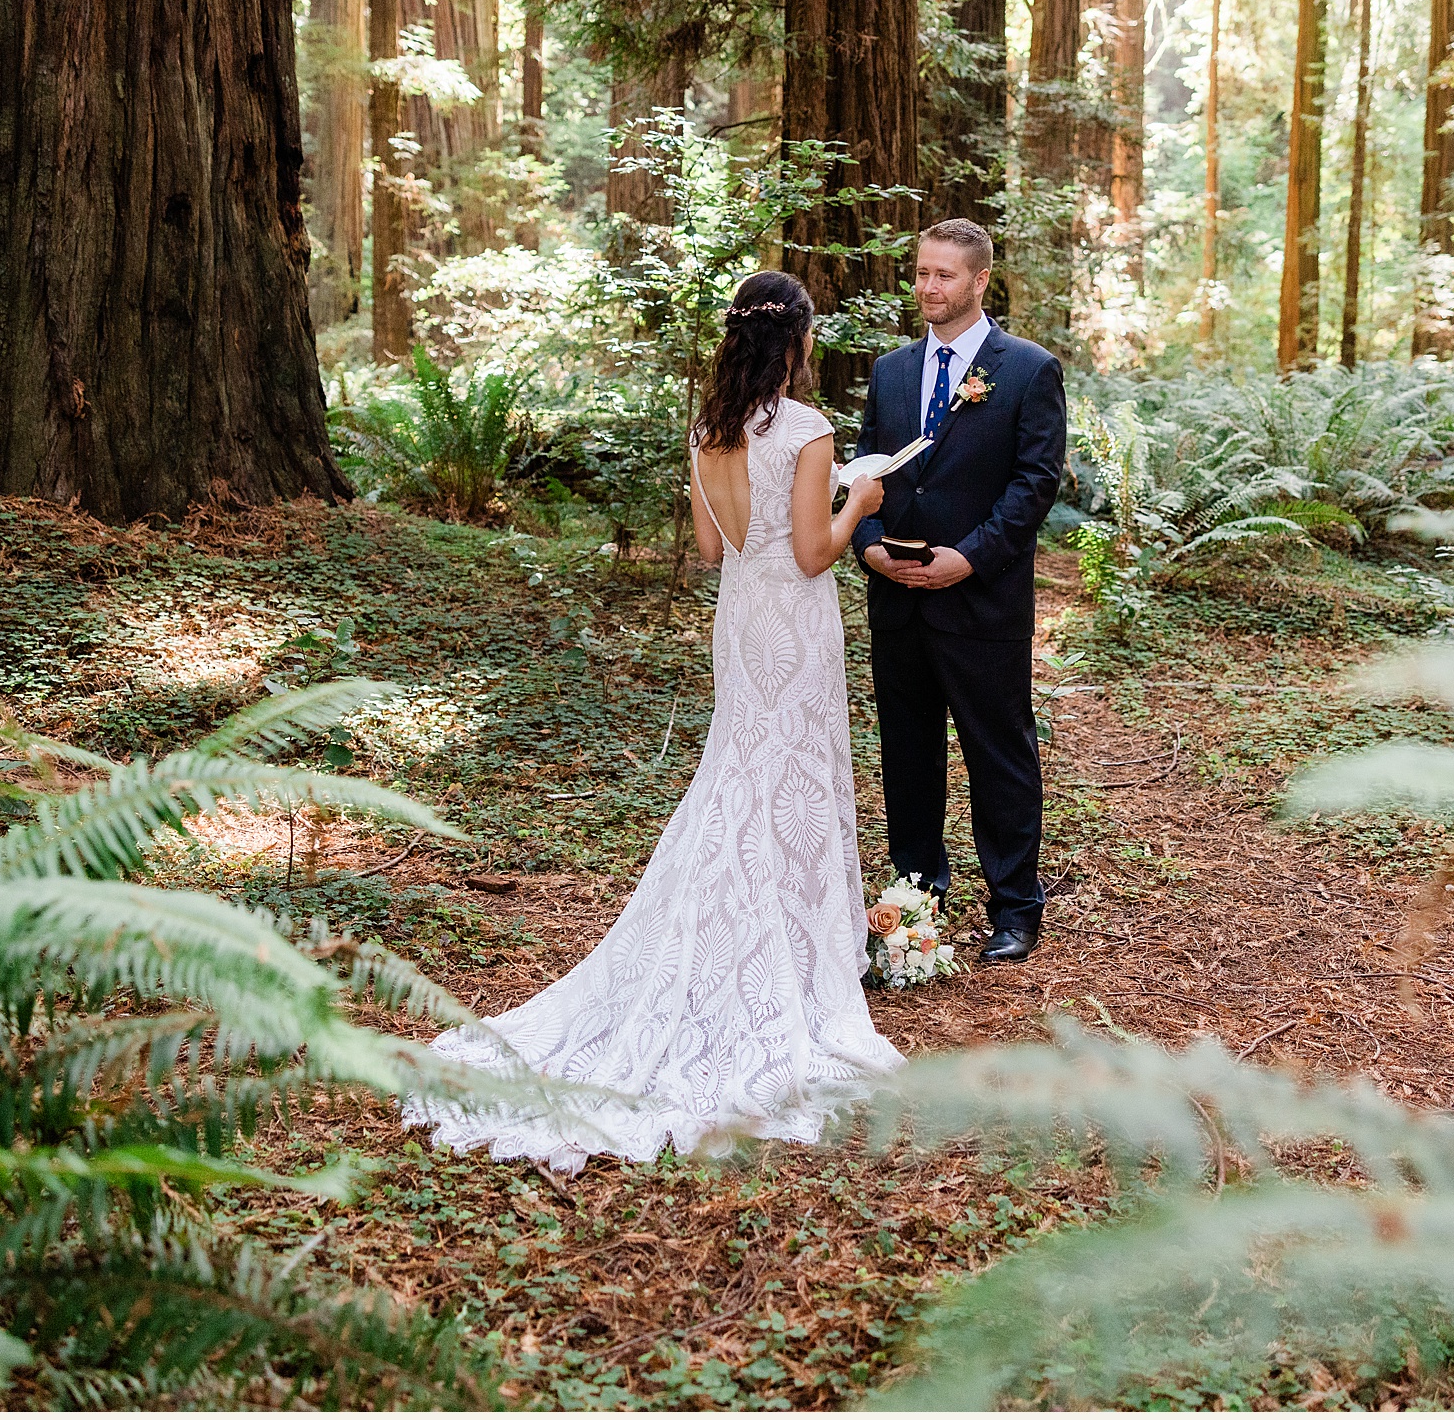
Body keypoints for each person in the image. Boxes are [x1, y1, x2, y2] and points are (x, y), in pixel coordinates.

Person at [405, 270, 906, 1173]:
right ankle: (791, 954)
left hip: (739, 625)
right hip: (792, 624)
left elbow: (716, 549)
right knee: (790, 774)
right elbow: (808, 554)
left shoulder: (707, 430)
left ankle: (758, 933)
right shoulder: (808, 431)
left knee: (745, 771)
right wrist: (859, 503)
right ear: (793, 342)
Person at [850, 219, 1068, 963]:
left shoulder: (1029, 371)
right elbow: (862, 473)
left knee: (998, 754)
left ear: (979, 282)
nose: (927, 289)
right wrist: (868, 548)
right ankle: (916, 903)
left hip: (981, 601)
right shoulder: (890, 370)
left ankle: (1015, 909)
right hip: (899, 601)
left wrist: (966, 560)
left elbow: (1034, 485)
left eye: (943, 276)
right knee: (909, 758)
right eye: (920, 273)